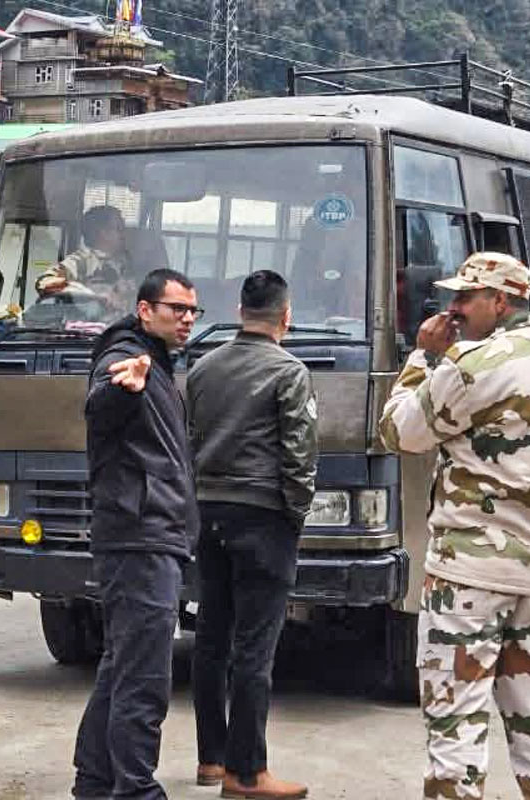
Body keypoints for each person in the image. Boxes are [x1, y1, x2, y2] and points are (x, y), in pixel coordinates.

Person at [380, 253, 530, 800]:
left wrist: (422, 356)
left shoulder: (469, 366)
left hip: (466, 576)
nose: (453, 309)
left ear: (501, 301)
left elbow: (398, 431)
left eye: (465, 298)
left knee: (456, 728)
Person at [186, 270, 316, 800]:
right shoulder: (289, 371)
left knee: (210, 638)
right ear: (286, 316)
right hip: (262, 516)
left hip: (207, 511)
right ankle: (247, 774)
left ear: (241, 311)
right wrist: (295, 516)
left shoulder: (202, 366)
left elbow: (189, 436)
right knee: (254, 649)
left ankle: (211, 760)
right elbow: (300, 456)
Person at [72, 268, 201, 800]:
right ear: (146, 310)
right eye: (177, 310)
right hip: (141, 535)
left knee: (123, 664)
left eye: (193, 310)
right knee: (145, 676)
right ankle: (136, 789)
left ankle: (96, 779)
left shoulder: (162, 362)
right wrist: (123, 391)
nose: (187, 319)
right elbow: (102, 402)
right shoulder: (125, 358)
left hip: (151, 532)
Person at [38, 205, 136, 317]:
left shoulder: (124, 261)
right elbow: (44, 282)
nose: (124, 234)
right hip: (93, 332)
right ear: (103, 233)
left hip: (125, 330)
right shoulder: (82, 260)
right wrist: (93, 294)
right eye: (119, 229)